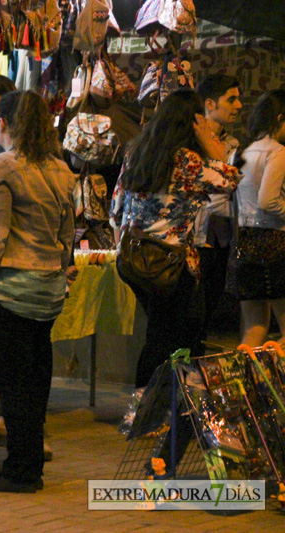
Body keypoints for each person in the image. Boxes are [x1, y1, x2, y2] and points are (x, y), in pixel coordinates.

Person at [0, 90, 76, 493]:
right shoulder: (62, 171)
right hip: (47, 292)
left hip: (10, 291)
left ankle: (21, 471)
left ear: (4, 123)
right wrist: (63, 268)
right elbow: (67, 233)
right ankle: (28, 464)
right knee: (35, 383)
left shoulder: (1, 169)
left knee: (13, 387)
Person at [110, 89, 241, 390]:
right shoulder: (188, 160)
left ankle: (155, 404)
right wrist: (215, 151)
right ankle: (153, 407)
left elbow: (115, 211)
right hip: (169, 265)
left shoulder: (136, 152)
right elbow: (230, 181)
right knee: (179, 335)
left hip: (133, 258)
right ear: (193, 122)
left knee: (161, 331)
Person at [226, 90, 285, 346]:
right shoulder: (278, 152)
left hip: (245, 244)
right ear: (280, 118)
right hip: (276, 243)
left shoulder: (240, 154)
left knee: (254, 328)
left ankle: (245, 384)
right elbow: (268, 200)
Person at [193, 74, 243, 340]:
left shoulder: (233, 144)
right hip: (191, 237)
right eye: (231, 99)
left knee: (209, 306)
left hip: (220, 238)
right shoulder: (189, 140)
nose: (239, 106)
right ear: (210, 103)